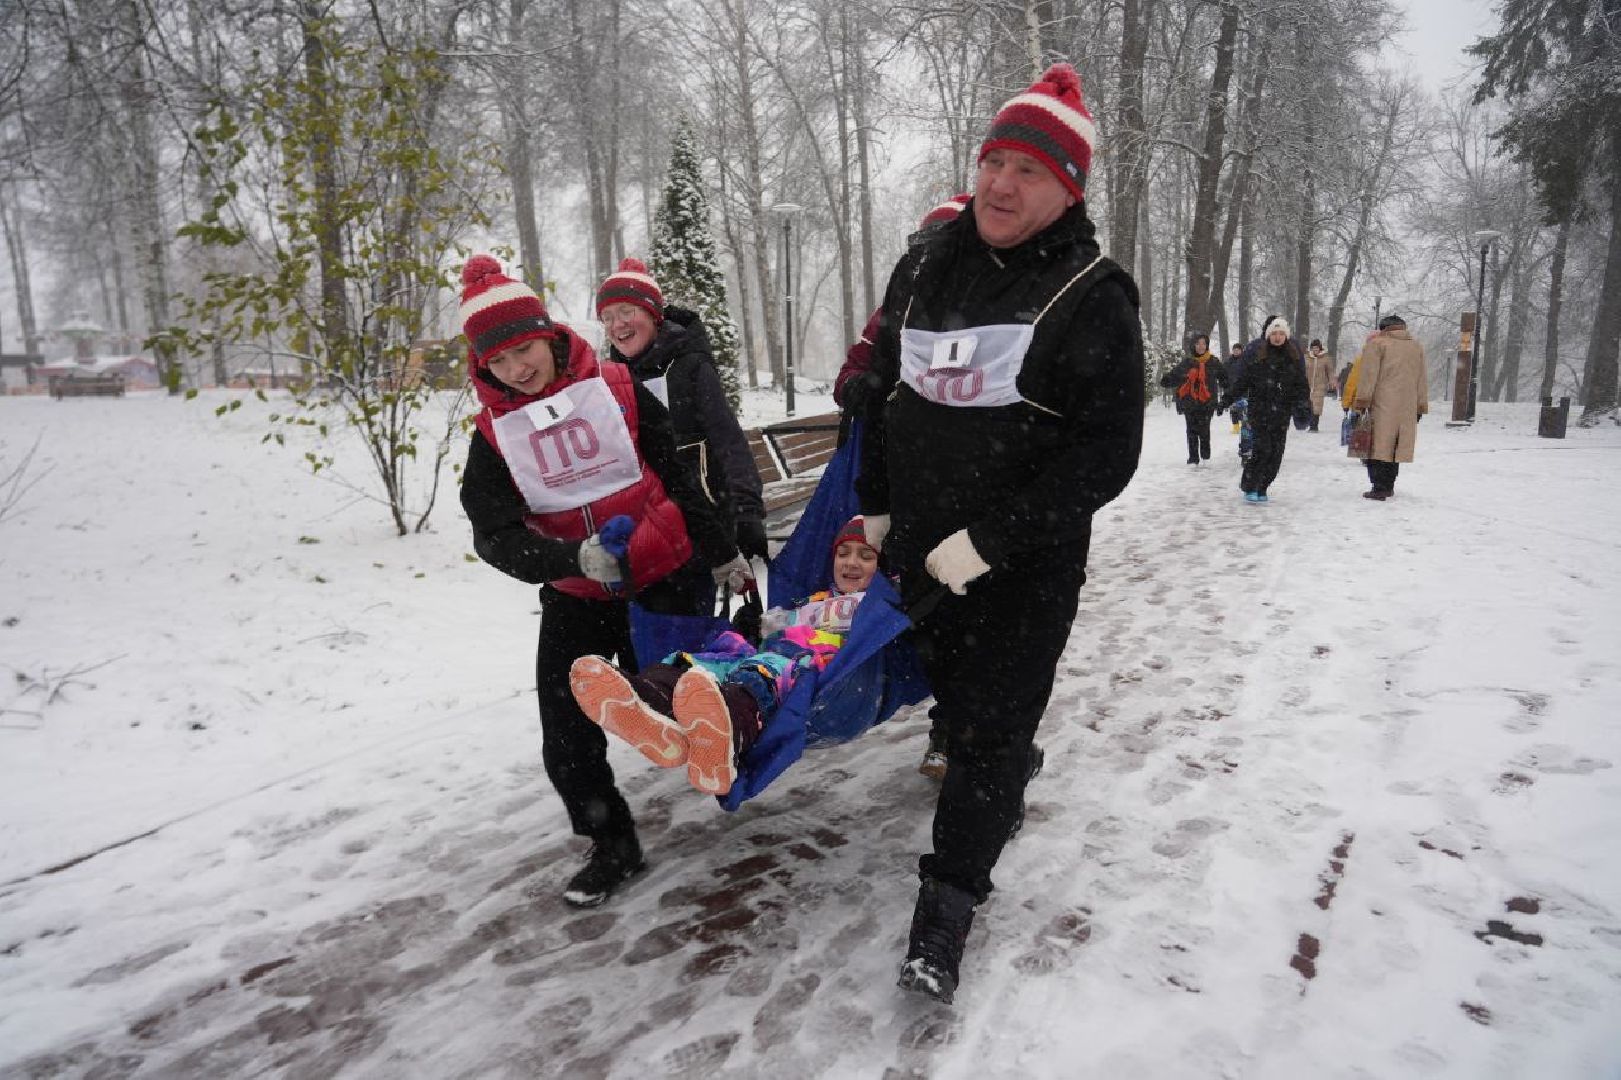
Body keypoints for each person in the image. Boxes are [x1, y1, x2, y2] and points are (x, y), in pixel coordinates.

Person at [851, 63, 1144, 1004]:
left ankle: (947, 905)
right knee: (957, 702)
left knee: (986, 730)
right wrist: (880, 503)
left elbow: (1107, 453)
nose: (1002, 185)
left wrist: (994, 538)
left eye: (1029, 170)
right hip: (921, 551)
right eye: (994, 162)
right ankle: (1005, 766)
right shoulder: (930, 262)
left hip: (1021, 566)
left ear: (1067, 190)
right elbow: (889, 396)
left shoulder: (1093, 292)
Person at [456, 254, 753, 908]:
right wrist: (568, 563)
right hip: (578, 593)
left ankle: (736, 761)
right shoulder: (493, 437)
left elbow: (679, 477)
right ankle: (610, 841)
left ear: (550, 336)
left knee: (685, 694)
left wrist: (722, 551)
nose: (515, 369)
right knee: (564, 732)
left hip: (663, 572)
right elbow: (493, 534)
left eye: (523, 349)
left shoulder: (618, 387)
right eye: (497, 363)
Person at [568, 516, 880, 797]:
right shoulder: (815, 599)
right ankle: (654, 704)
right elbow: (778, 624)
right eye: (843, 554)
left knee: (760, 674)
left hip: (808, 669)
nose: (851, 562)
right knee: (709, 658)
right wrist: (760, 624)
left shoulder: (875, 604)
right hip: (765, 653)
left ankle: (729, 734)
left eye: (866, 556)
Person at [833, 194, 971, 781]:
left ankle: (977, 737)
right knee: (935, 621)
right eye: (922, 247)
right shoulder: (895, 310)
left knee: (980, 629)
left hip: (974, 492)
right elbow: (856, 372)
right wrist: (862, 386)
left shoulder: (992, 312)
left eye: (942, 247)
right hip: (911, 491)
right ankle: (952, 725)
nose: (930, 260)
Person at [597, 258, 768, 562]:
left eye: (627, 311)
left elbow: (727, 438)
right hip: (645, 527)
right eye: (607, 317)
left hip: (703, 518)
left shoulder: (690, 366)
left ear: (652, 315)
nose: (616, 324)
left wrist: (747, 509)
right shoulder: (609, 380)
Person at [1221, 315, 1310, 503]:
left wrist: (1302, 406)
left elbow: (1301, 385)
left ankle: (1263, 487)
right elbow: (1242, 382)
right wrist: (1226, 400)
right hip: (1260, 411)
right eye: (1274, 333)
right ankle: (1249, 485)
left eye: (1281, 333)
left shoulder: (1293, 358)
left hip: (1281, 413)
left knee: (1276, 454)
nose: (1277, 337)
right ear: (1268, 335)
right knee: (1262, 451)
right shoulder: (1259, 356)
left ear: (1286, 336)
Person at [1351, 313, 1428, 499]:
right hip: (1407, 405)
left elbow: (1369, 376)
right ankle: (1389, 485)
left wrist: (1362, 402)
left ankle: (1379, 487)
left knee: (1377, 444)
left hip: (1381, 402)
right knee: (1395, 445)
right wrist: (1420, 405)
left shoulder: (1377, 344)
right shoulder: (1416, 346)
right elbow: (1422, 379)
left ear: (1383, 328)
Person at [1159, 333, 1228, 464]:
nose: (1201, 346)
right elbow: (1174, 376)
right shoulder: (1187, 363)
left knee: (1204, 429)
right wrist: (1166, 380)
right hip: (1190, 402)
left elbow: (1224, 378)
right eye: (1198, 343)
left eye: (1204, 343)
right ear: (1193, 346)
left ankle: (1205, 455)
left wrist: (1230, 390)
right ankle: (1193, 457)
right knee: (1191, 430)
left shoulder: (1213, 362)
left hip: (1207, 402)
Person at [1304, 339, 1338, 432]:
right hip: (1307, 385)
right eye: (1314, 348)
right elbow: (1301, 370)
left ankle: (1314, 426)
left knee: (1316, 406)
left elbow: (1330, 372)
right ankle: (1308, 423)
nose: (1315, 350)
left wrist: (1332, 382)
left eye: (1317, 348)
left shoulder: (1325, 358)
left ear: (1320, 348)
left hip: (1320, 385)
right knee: (1308, 405)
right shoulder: (1306, 358)